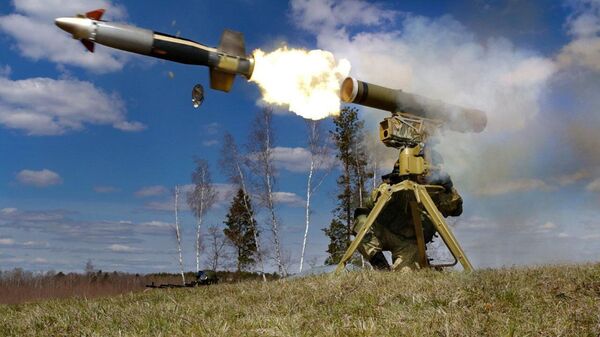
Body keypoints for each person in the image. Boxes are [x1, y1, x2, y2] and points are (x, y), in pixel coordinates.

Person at [353, 161, 463, 271]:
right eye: (422, 171)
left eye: (429, 171)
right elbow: (370, 203)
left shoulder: (437, 192)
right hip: (385, 232)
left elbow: (455, 210)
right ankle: (382, 268)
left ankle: (422, 265)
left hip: (409, 243)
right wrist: (391, 187)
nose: (424, 175)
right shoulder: (393, 184)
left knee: (407, 276)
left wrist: (448, 190)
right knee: (362, 221)